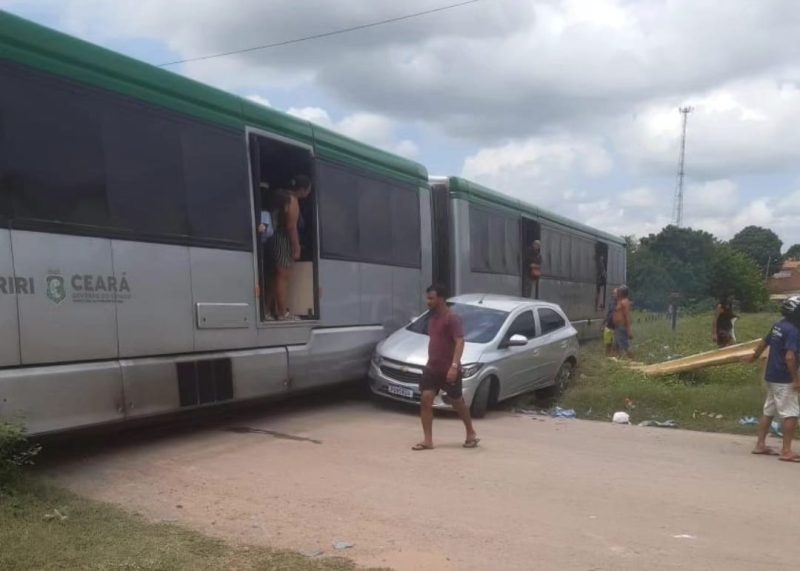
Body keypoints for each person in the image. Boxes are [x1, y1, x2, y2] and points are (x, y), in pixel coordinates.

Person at [413, 284, 479, 451]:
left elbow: (460, 341)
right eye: (427, 298)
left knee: (457, 402)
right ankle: (428, 440)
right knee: (426, 399)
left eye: (431, 298)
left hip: (449, 369)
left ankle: (470, 433)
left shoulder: (452, 319)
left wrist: (454, 367)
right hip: (432, 368)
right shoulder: (432, 319)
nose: (427, 301)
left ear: (441, 299)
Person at [747, 295, 800, 462]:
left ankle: (760, 444)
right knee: (790, 414)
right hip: (784, 378)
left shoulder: (778, 325)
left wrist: (753, 358)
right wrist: (796, 380)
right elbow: (790, 357)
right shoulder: (794, 331)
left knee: (768, 411)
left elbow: (763, 343)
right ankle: (786, 451)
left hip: (771, 375)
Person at [265, 174, 312, 321]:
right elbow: (291, 227)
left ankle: (267, 310)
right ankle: (282, 312)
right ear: (303, 189)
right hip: (282, 239)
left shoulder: (280, 196)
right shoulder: (292, 201)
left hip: (271, 238)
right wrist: (296, 247)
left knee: (274, 276)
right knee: (283, 276)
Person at [612, 285, 633, 358]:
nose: (617, 292)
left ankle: (632, 360)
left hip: (622, 326)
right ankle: (618, 359)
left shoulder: (624, 302)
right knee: (617, 345)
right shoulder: (620, 301)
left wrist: (629, 330)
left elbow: (627, 316)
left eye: (619, 291)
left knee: (625, 345)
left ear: (622, 293)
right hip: (618, 327)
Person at [603, 287, 619, 357]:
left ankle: (616, 357)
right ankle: (607, 357)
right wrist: (604, 323)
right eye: (613, 293)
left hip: (617, 327)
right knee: (607, 343)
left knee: (616, 344)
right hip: (609, 326)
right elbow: (608, 314)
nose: (614, 295)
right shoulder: (611, 303)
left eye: (615, 293)